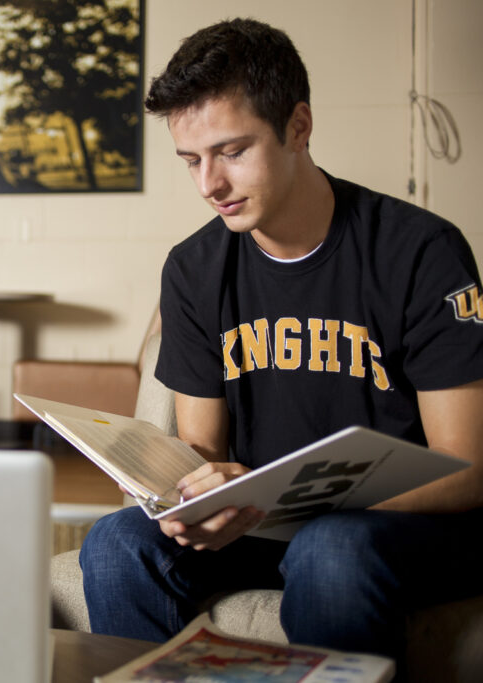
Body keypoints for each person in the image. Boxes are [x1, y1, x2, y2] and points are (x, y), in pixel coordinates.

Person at [78, 17, 483, 674]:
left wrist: (281, 500)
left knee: (329, 549)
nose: (208, 184)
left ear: (298, 127)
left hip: (400, 524)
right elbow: (202, 449)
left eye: (231, 151)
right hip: (265, 521)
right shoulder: (193, 269)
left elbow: (465, 468)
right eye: (191, 160)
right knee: (118, 541)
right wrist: (187, 495)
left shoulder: (419, 250)